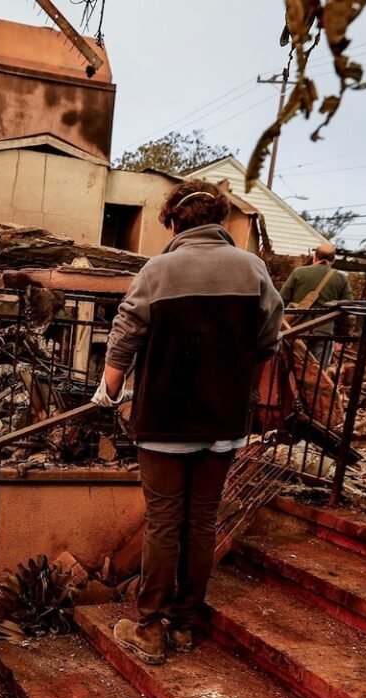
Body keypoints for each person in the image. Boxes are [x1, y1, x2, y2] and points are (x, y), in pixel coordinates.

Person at [94, 180, 284, 664]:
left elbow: (125, 335)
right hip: (223, 419)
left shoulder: (158, 270)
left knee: (163, 522)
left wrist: (109, 390)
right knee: (201, 521)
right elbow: (268, 340)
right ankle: (184, 625)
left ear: (174, 223)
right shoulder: (253, 269)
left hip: (164, 418)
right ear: (219, 221)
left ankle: (150, 627)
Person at [279, 243, 351, 365]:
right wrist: (341, 336)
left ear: (315, 256)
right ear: (333, 260)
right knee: (319, 375)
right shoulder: (341, 278)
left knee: (293, 368)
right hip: (325, 332)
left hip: (297, 329)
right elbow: (347, 309)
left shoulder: (298, 273)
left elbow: (281, 299)